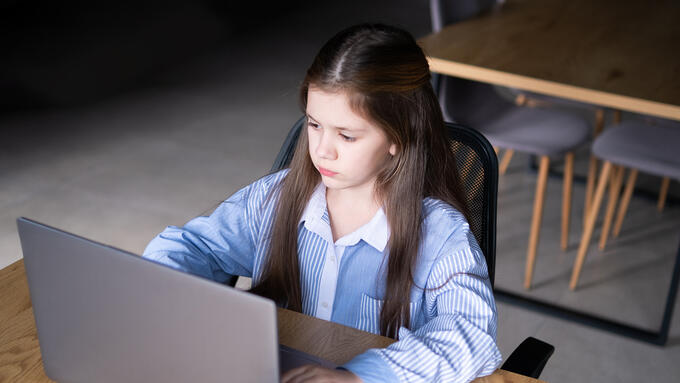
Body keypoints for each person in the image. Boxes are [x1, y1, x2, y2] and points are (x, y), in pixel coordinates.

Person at [143, 23, 502, 383]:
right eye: (314, 125)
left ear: (399, 135)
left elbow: (472, 336)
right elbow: (191, 246)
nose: (322, 150)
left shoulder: (441, 237)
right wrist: (157, 285)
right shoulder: (277, 197)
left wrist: (359, 378)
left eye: (346, 135)